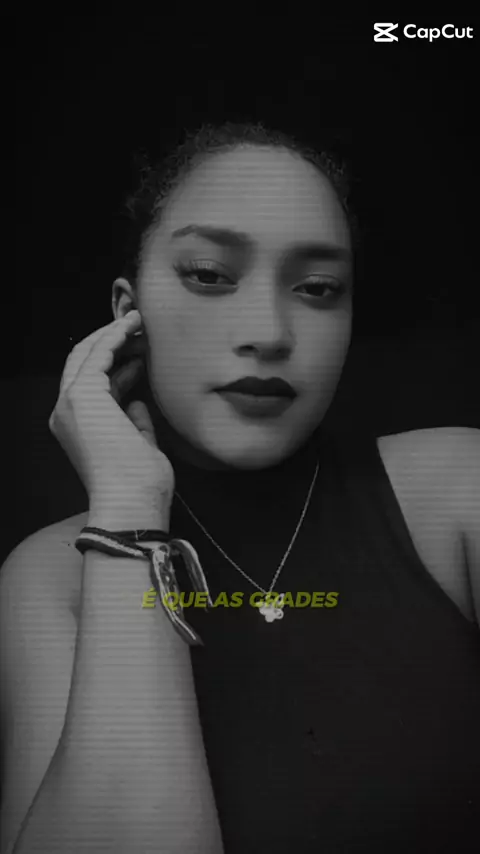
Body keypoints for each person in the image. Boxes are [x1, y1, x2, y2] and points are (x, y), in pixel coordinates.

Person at [1, 120, 479, 854]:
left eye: (318, 288)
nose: (269, 332)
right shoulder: (49, 579)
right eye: (209, 275)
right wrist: (129, 509)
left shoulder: (458, 492)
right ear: (128, 316)